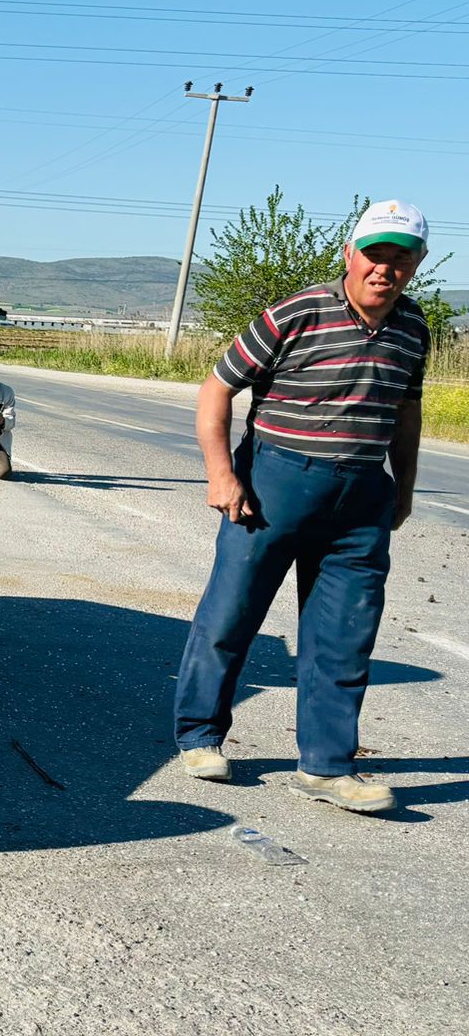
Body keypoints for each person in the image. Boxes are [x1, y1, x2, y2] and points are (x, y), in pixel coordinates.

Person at [172, 199, 431, 814]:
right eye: (374, 255)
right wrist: (221, 474)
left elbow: (406, 411)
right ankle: (200, 736)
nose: (384, 269)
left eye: (400, 259)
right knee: (231, 617)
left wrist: (404, 487)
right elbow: (217, 387)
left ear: (416, 264)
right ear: (350, 254)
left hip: (361, 500)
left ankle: (327, 766)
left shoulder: (414, 329)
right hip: (273, 488)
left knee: (346, 635)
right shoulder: (298, 312)